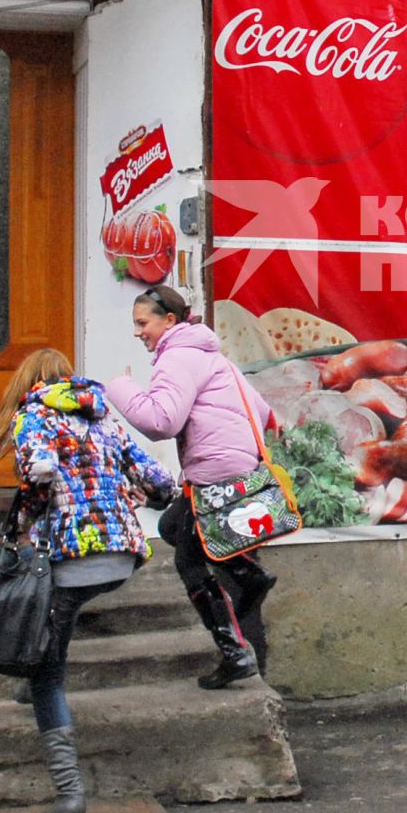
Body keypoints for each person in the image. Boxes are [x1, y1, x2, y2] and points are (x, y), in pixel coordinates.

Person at [0, 348, 176, 813]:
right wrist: (122, 494)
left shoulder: (34, 416)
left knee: (51, 673)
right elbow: (163, 485)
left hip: (71, 560)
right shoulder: (101, 415)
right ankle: (34, 668)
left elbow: (39, 473)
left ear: (27, 382)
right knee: (55, 621)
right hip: (121, 558)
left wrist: (36, 495)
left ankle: (69, 795)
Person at [107, 284, 277, 690]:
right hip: (240, 469)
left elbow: (161, 421)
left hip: (215, 473)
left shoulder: (178, 357)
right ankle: (243, 578)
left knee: (188, 561)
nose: (137, 332)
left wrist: (121, 389)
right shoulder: (211, 356)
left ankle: (238, 655)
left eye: (142, 323)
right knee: (172, 527)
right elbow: (266, 413)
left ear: (169, 321)